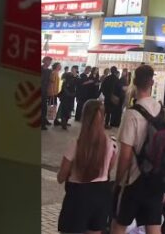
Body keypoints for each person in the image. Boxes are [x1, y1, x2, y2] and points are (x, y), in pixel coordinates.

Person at [112, 65, 165, 234]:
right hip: (156, 180)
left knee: (119, 226)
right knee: (154, 227)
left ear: (134, 82)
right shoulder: (160, 110)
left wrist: (118, 182)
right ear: (152, 83)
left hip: (134, 181)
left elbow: (125, 155)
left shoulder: (131, 114)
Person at [57, 100, 117, 234]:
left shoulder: (75, 144)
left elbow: (61, 177)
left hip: (77, 195)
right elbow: (108, 170)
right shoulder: (111, 145)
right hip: (101, 194)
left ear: (84, 118)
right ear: (104, 117)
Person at [46, 63, 63, 128]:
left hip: (54, 92)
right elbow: (51, 83)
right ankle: (47, 119)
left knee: (53, 106)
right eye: (59, 66)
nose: (60, 67)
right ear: (56, 66)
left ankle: (53, 119)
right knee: (50, 106)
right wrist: (52, 92)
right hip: (52, 93)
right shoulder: (54, 73)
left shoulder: (56, 73)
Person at [41, 56, 55, 131]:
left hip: (44, 91)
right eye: (48, 61)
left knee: (44, 108)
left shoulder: (49, 71)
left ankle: (43, 122)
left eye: (50, 61)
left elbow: (50, 82)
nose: (49, 63)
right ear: (44, 61)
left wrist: (51, 91)